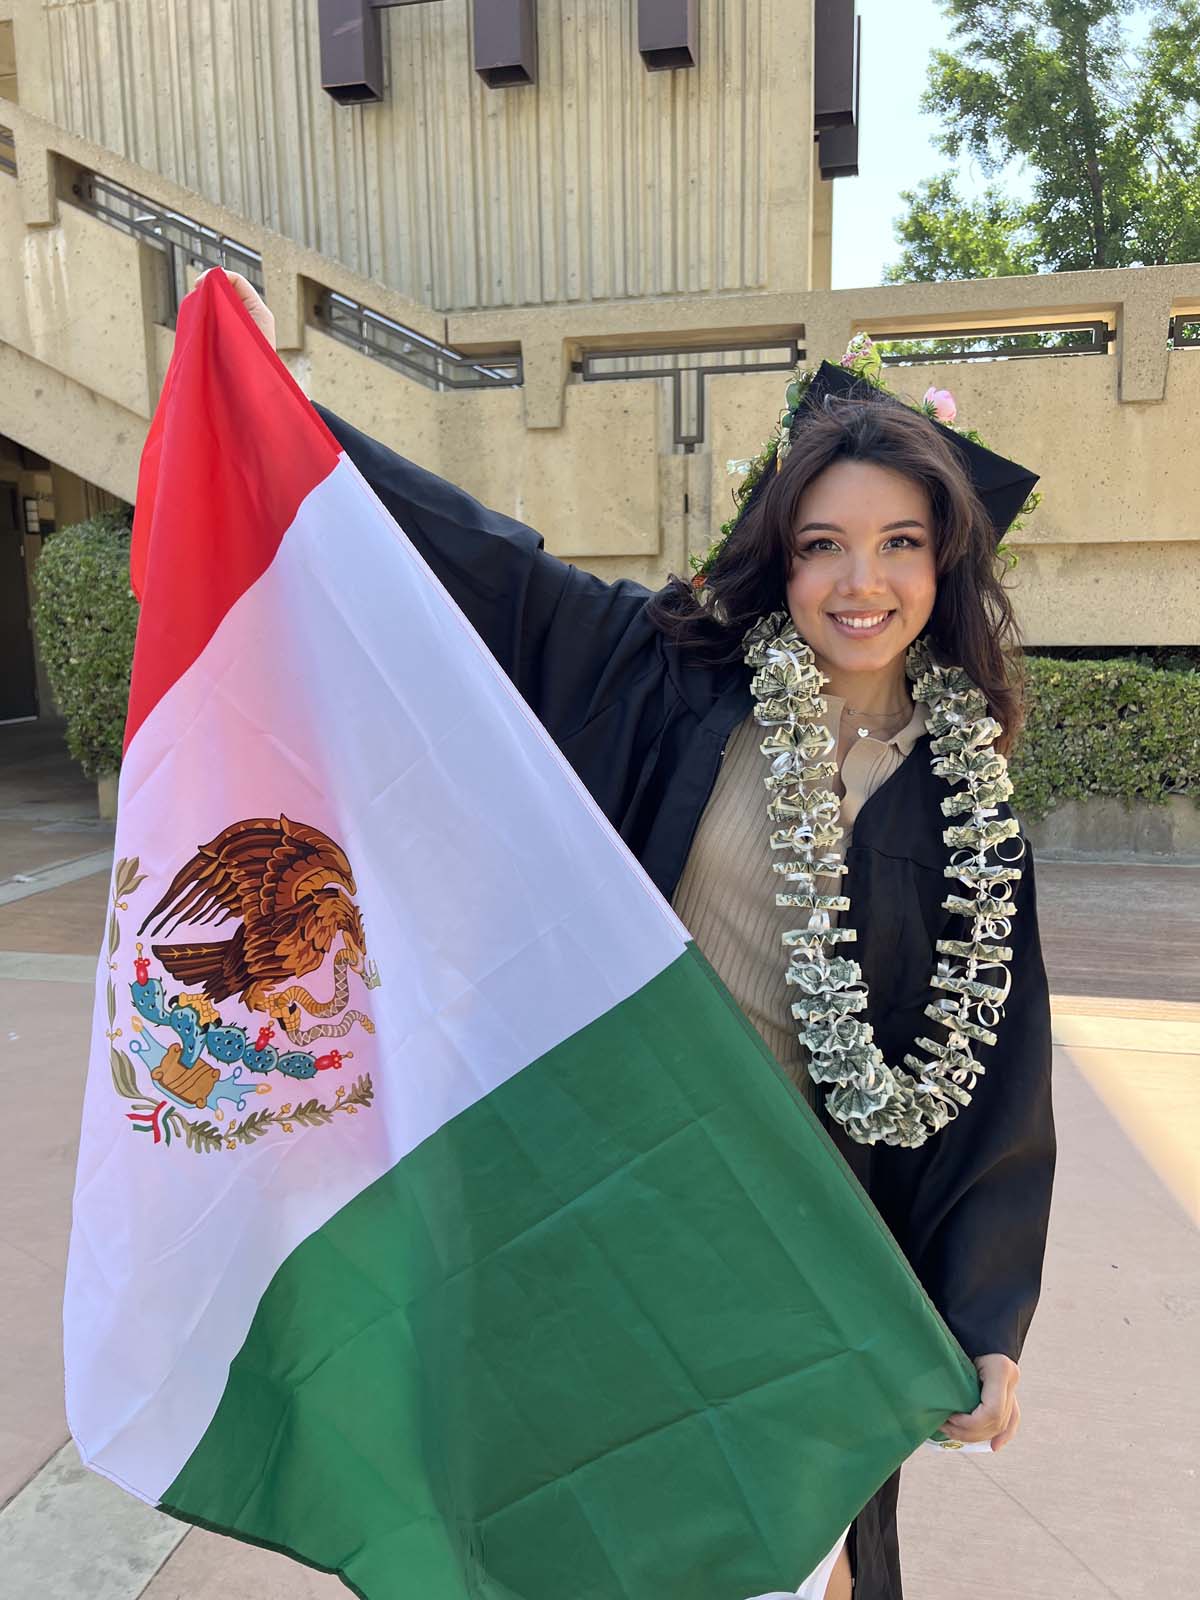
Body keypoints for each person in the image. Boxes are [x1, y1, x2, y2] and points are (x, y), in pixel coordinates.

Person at [210, 272, 1056, 1600]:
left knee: (794, 1554)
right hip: (614, 1192)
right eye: (825, 542)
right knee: (586, 1527)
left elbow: (999, 1078)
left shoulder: (964, 802)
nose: (862, 580)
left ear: (942, 564)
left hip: (813, 1237)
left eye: (900, 543)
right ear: (781, 554)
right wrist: (275, 414)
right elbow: (498, 570)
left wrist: (988, 1321)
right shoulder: (671, 679)